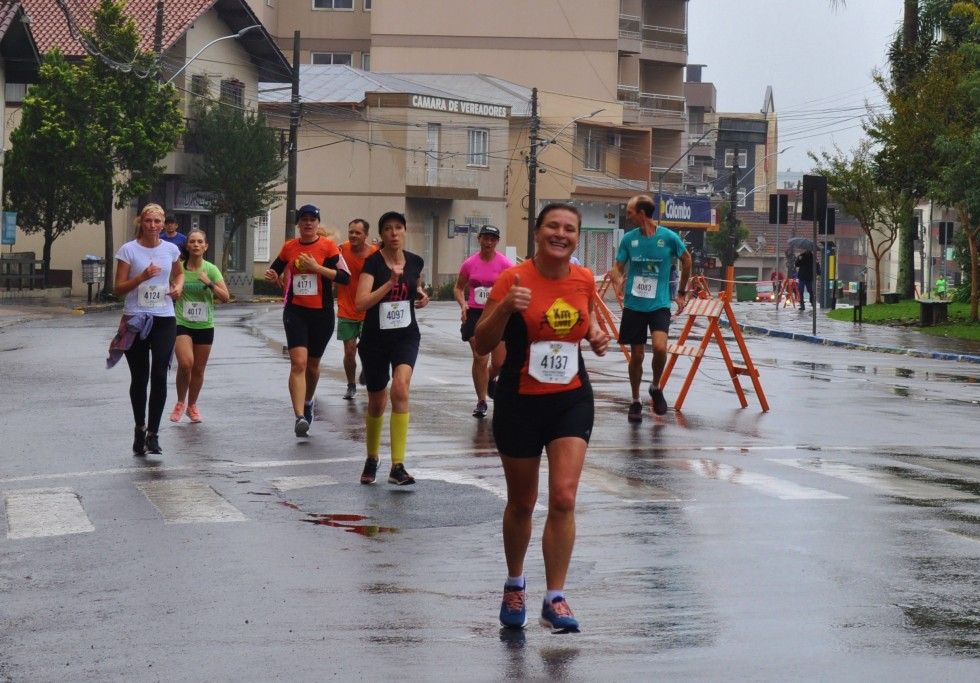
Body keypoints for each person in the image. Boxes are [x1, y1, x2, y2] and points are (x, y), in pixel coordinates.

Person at [474, 203, 609, 634]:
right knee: (522, 502)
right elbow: (481, 342)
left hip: (570, 398)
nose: (562, 233)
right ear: (537, 232)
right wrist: (504, 308)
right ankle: (515, 583)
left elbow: (583, 322)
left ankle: (556, 596)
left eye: (570, 228)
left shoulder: (584, 279)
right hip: (520, 399)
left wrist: (595, 334)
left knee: (565, 497)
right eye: (553, 225)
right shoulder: (512, 278)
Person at [354, 211, 430, 486]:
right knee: (377, 402)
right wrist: (389, 283)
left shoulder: (415, 261)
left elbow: (416, 287)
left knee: (400, 387)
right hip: (375, 340)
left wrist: (421, 296)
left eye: (399, 228)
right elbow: (361, 302)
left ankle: (398, 465)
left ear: (405, 231)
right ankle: (372, 457)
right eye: (388, 229)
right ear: (382, 234)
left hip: (406, 336)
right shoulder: (372, 264)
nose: (394, 233)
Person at [264, 204, 350, 437]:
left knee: (312, 366)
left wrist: (317, 267)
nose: (308, 223)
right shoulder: (289, 247)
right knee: (298, 363)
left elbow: (345, 277)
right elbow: (275, 271)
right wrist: (273, 277)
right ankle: (299, 415)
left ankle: (309, 401)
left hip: (321, 314)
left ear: (317, 223)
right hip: (296, 311)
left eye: (312, 219)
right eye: (304, 219)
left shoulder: (328, 247)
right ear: (298, 223)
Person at [607, 194, 691, 422]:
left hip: (660, 304)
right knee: (637, 356)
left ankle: (655, 387)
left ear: (642, 213)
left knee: (660, 348)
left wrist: (681, 292)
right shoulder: (628, 239)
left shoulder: (669, 237)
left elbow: (687, 260)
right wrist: (617, 279)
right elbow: (617, 267)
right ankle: (635, 401)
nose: (628, 216)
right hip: (634, 305)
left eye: (630, 212)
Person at [113, 203, 184, 456]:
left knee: (160, 375)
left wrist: (178, 287)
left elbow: (179, 274)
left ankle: (153, 434)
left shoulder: (171, 249)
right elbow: (118, 289)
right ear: (141, 223)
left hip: (164, 318)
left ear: (163, 224)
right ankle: (139, 428)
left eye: (157, 221)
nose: (152, 226)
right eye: (148, 221)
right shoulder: (128, 250)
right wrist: (141, 277)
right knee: (140, 378)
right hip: (136, 319)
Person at [169, 229, 230, 424]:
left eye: (199, 242)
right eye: (192, 241)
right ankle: (180, 402)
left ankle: (192, 405)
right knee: (186, 363)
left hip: (204, 324)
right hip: (182, 322)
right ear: (187, 245)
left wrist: (210, 284)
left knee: (198, 369)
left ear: (205, 246)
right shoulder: (178, 267)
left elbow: (226, 297)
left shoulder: (211, 269)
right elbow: (167, 285)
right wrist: (172, 291)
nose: (195, 245)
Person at [453, 225, 513, 418]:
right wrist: (463, 304)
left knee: (499, 362)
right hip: (475, 315)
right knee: (480, 357)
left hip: (497, 315)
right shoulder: (470, 264)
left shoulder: (505, 265)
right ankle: (481, 401)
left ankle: (488, 379)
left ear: (497, 242)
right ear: (478, 239)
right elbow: (458, 288)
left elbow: (514, 288)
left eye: (493, 239)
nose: (489, 242)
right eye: (485, 238)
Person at [336, 219, 378, 400]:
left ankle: (367, 370)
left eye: (358, 233)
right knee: (350, 350)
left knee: (369, 349)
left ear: (366, 235)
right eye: (351, 232)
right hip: (347, 308)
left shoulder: (375, 253)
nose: (353, 235)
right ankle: (351, 384)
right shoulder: (341, 249)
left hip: (369, 308)